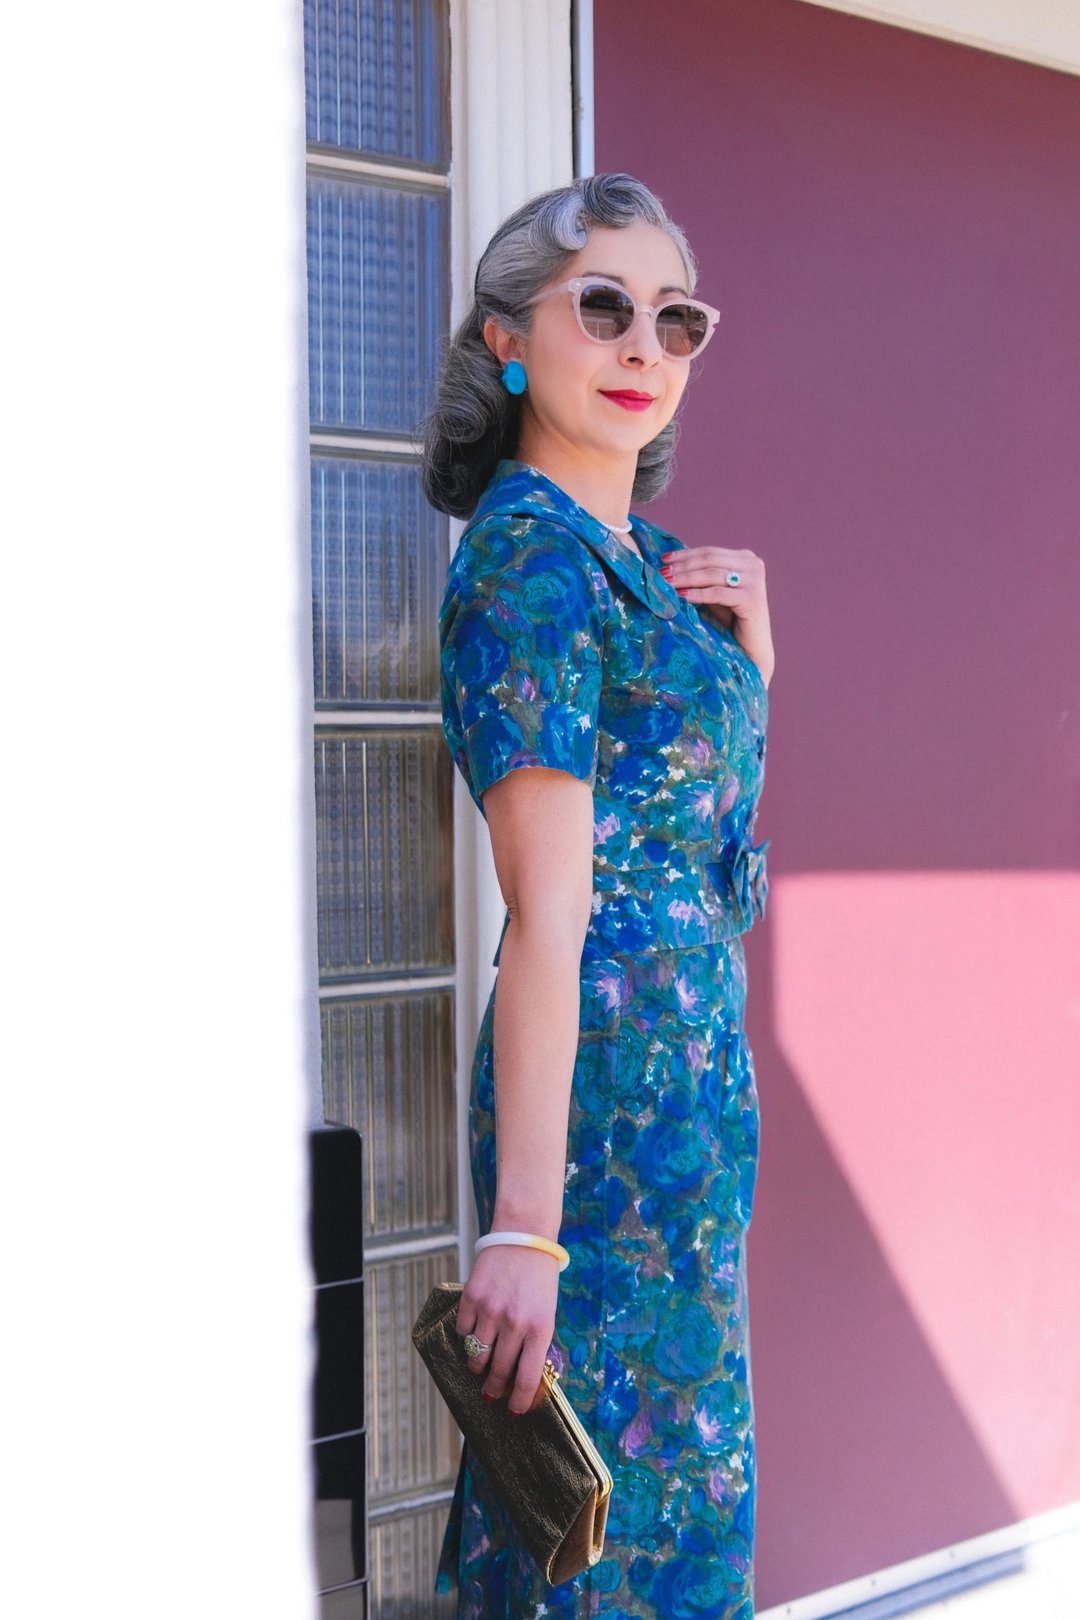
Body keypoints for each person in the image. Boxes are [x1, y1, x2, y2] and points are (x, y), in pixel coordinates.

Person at [423, 172, 773, 1620]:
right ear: (512, 341)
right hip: (603, 1137)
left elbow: (719, 880)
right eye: (604, 307)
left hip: (693, 1117)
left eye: (675, 319)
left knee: (668, 1510)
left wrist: (758, 679)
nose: (645, 347)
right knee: (591, 1527)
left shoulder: (646, 567)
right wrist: (522, 1228)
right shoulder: (529, 563)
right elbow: (553, 911)